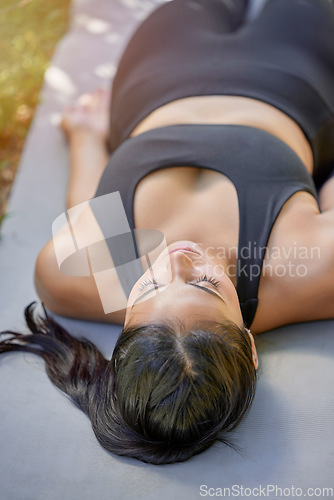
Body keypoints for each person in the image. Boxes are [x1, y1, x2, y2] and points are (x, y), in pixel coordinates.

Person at [1, 0, 334, 464]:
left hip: (158, 76)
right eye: (204, 284)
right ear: (249, 343)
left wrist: (85, 137)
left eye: (151, 286)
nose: (177, 258)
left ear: (123, 336)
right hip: (296, 76)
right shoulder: (302, 272)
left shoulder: (79, 276)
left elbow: (89, 214)